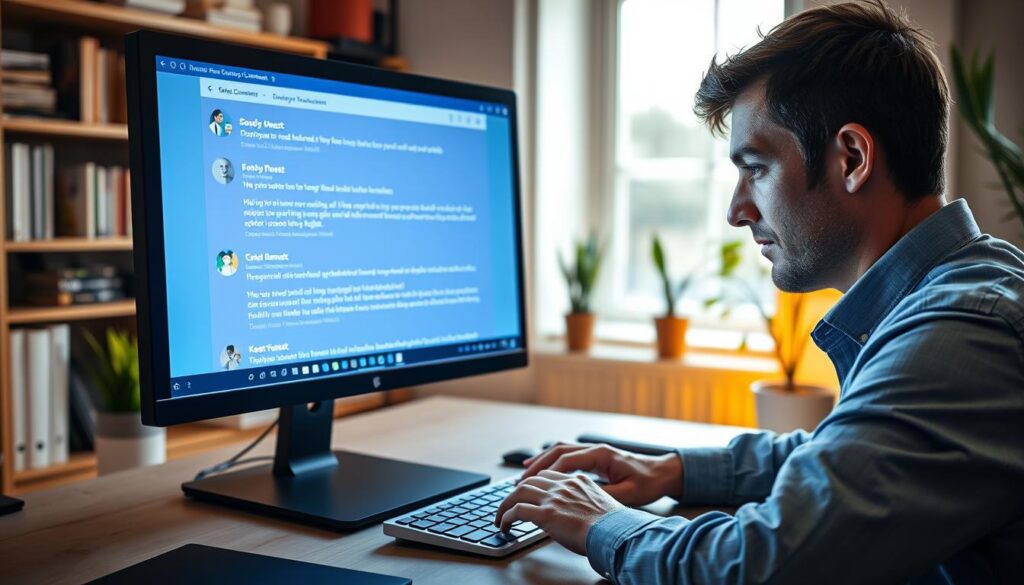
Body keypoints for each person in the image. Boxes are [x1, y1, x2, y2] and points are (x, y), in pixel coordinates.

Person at [494, 2, 1024, 583]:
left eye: (757, 168)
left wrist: (602, 523)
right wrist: (673, 469)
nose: (736, 210)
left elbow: (763, 566)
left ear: (852, 158)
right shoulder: (962, 288)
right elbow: (843, 453)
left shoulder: (963, 332)